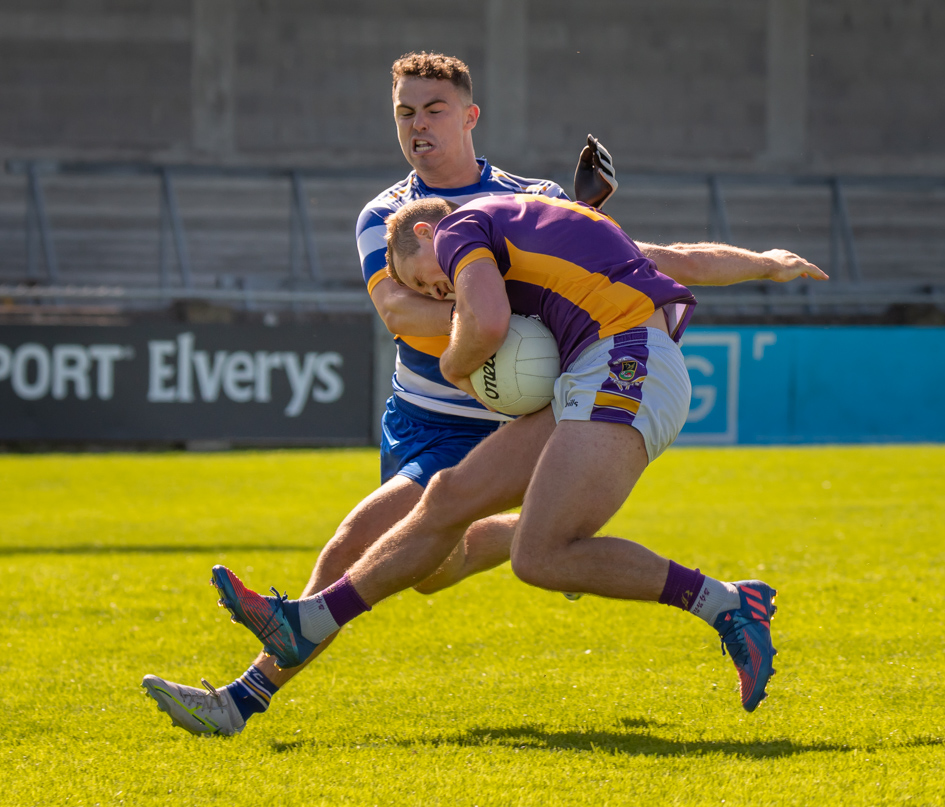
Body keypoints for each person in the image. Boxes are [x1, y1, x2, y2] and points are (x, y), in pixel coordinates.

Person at [142, 51, 825, 737]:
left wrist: (760, 264)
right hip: (439, 419)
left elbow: (628, 262)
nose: (417, 125)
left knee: (379, 537)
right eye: (404, 112)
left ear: (469, 116)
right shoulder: (387, 214)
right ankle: (563, 537)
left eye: (432, 110)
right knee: (443, 554)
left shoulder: (516, 203)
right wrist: (490, 324)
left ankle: (247, 692)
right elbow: (407, 318)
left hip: (578, 380)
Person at [207, 192, 798, 724]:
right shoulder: (539, 226)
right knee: (448, 498)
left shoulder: (462, 227)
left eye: (430, 280)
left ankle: (727, 602)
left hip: (626, 362)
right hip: (600, 368)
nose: (440, 294)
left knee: (540, 557)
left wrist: (453, 366)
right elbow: (679, 260)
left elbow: (485, 323)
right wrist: (768, 262)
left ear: (424, 235)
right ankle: (307, 623)